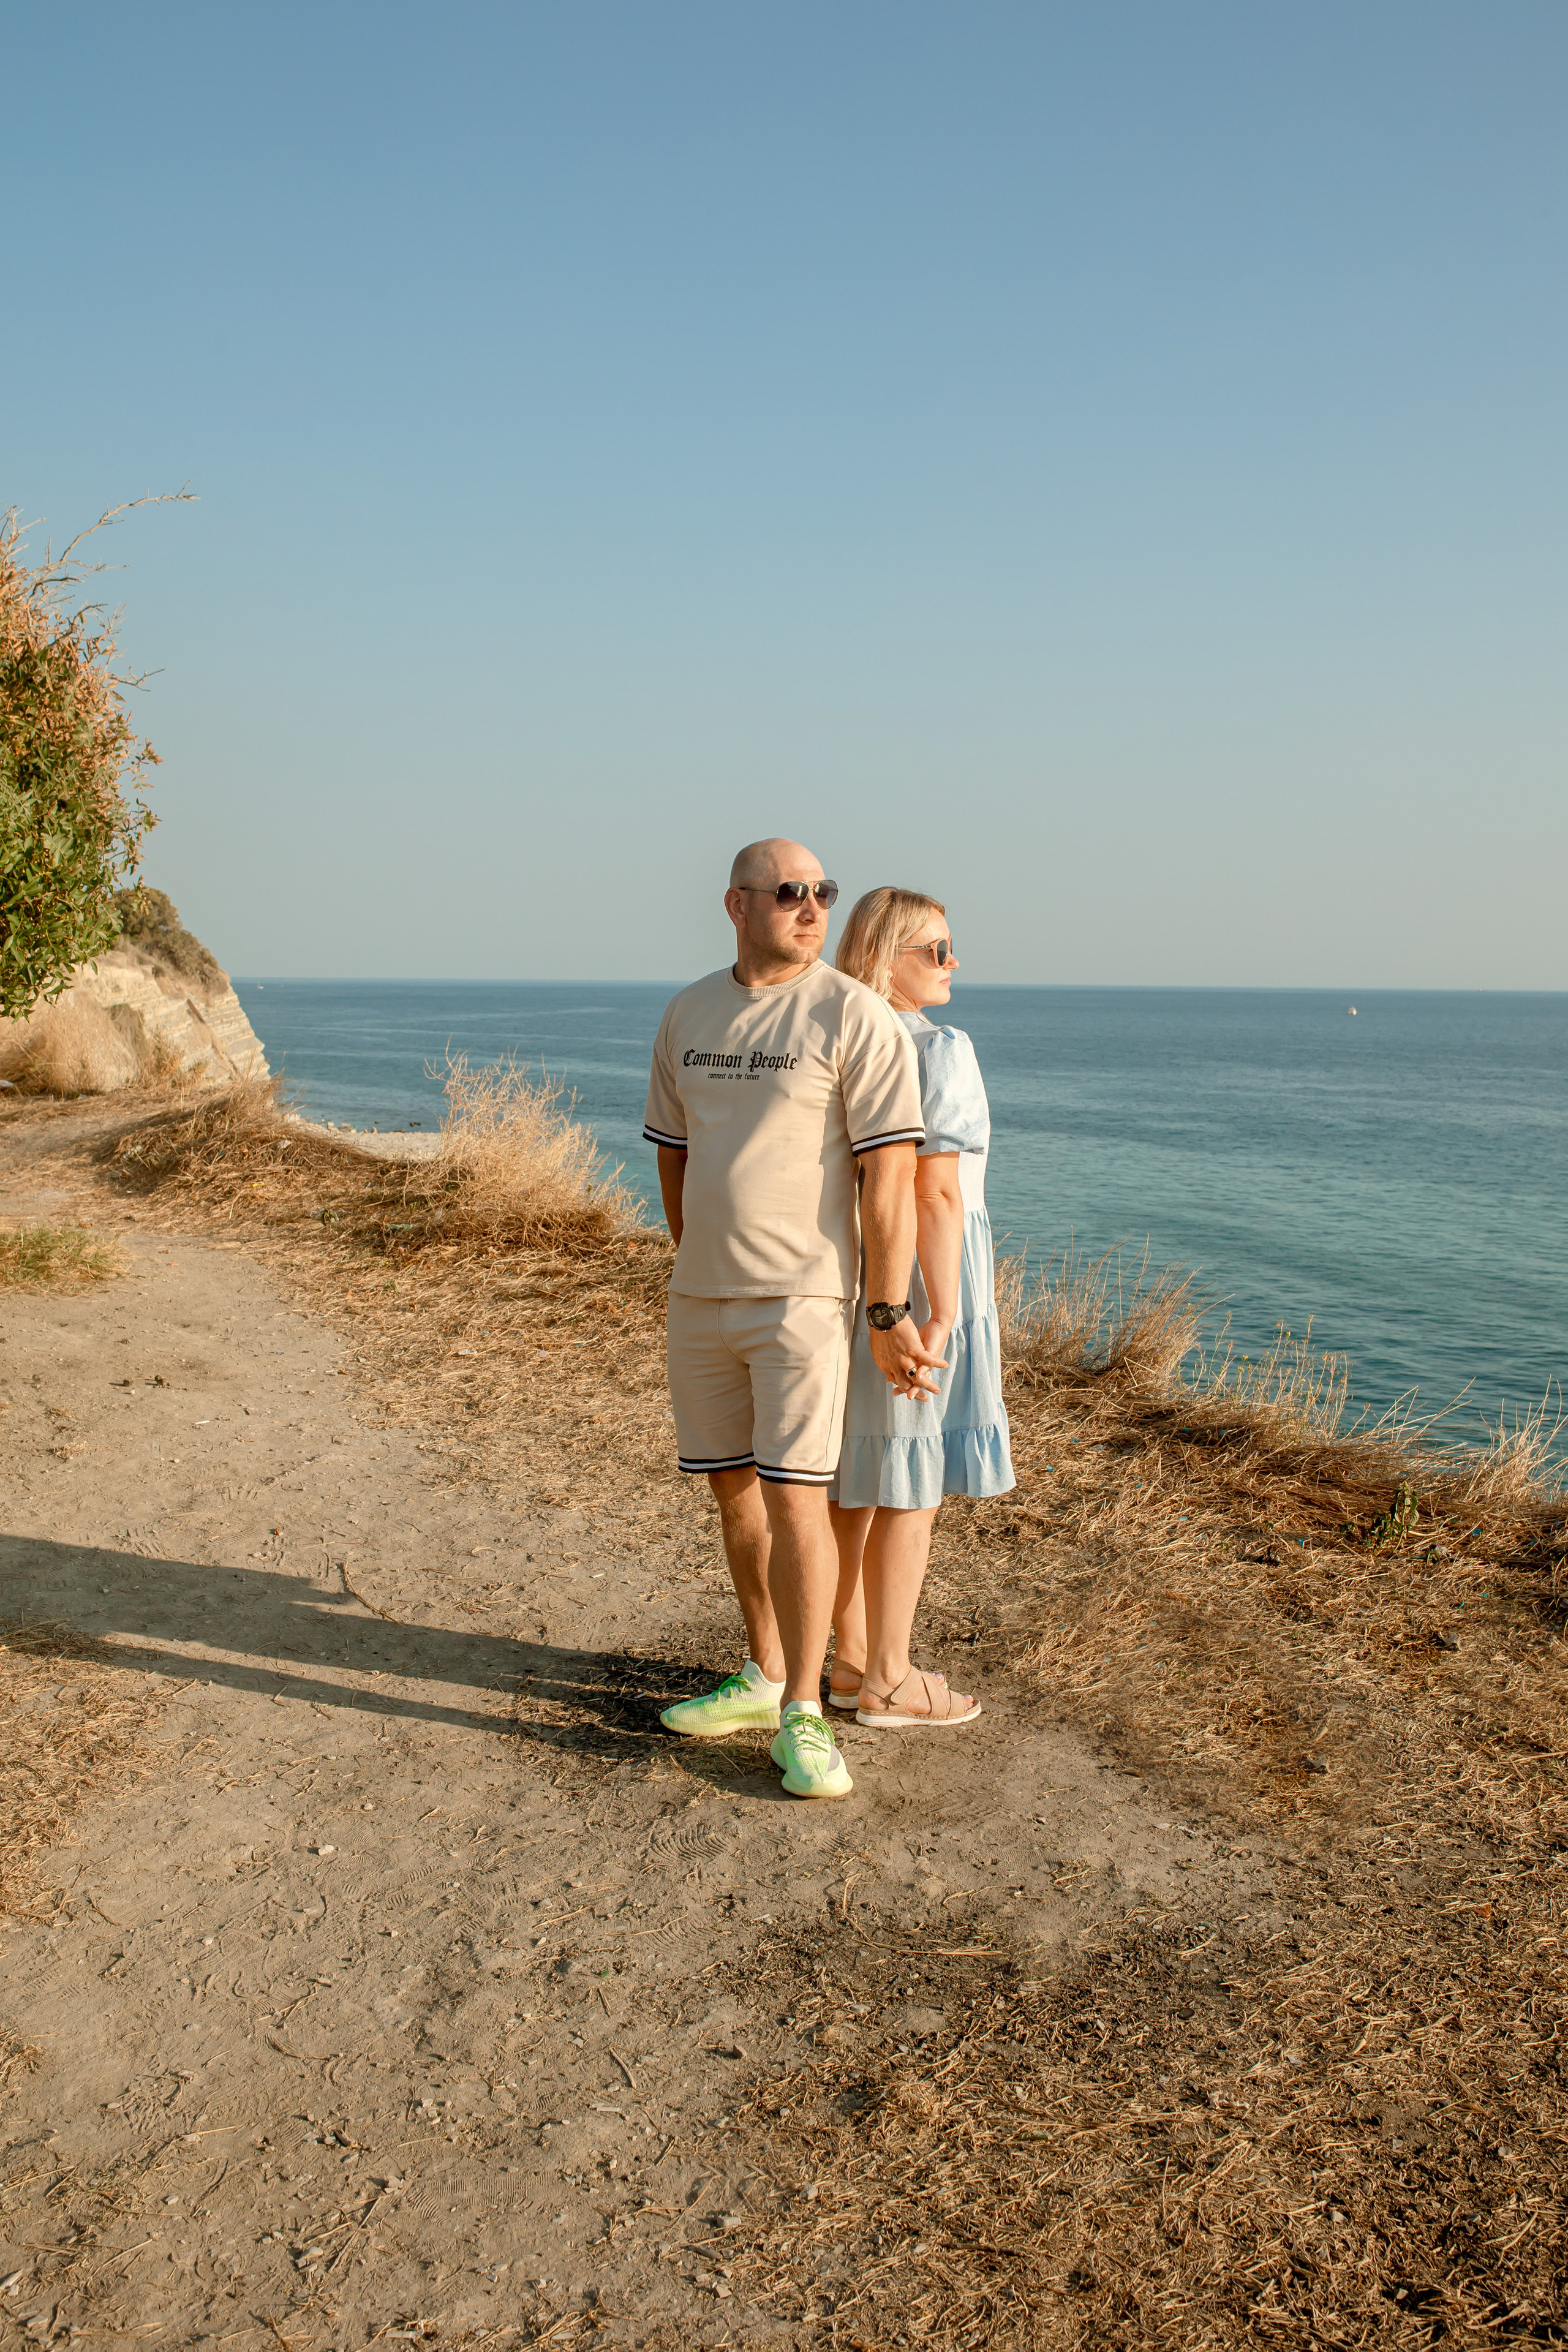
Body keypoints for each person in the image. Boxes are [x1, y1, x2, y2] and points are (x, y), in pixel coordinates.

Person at [644, 839, 943, 1800]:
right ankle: (764, 1673)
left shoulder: (855, 1017)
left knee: (795, 1499)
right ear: (737, 905)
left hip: (804, 1304)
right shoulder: (689, 1011)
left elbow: (890, 1179)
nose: (812, 907)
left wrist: (888, 1309)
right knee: (731, 1493)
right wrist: (695, 1256)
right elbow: (675, 1153)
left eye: (824, 892)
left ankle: (808, 1716)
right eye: (789, 892)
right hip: (702, 1302)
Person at [826, 888, 1014, 1725]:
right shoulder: (936, 1046)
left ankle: (849, 1661)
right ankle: (890, 1682)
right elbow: (937, 1192)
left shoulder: (834, 1038)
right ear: (887, 957)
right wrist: (938, 1309)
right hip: (921, 1270)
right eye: (937, 949)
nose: (953, 963)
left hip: (853, 1265)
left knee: (855, 1473)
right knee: (912, 1475)